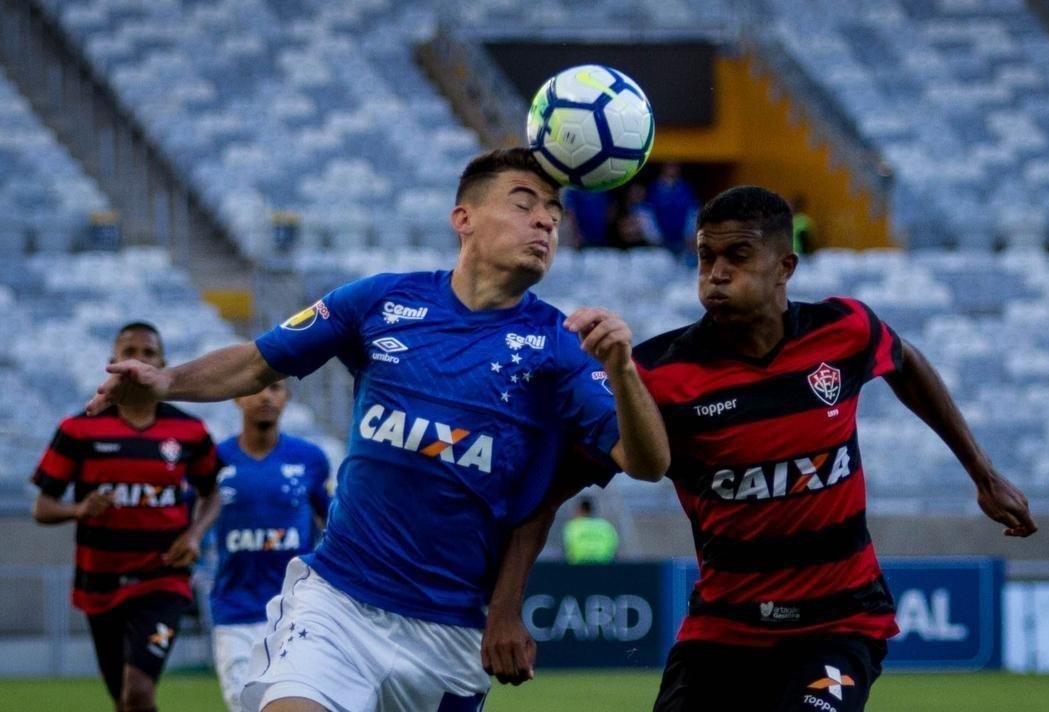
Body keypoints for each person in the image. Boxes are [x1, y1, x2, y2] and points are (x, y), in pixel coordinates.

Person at [86, 147, 670, 712]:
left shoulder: (561, 345)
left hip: (450, 631)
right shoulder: (381, 300)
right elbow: (258, 361)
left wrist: (622, 371)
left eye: (553, 211)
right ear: (463, 218)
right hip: (338, 601)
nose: (544, 218)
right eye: (524, 202)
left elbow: (648, 462)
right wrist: (164, 382)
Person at [481, 186, 1038, 709]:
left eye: (738, 257)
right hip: (725, 629)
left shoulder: (843, 330)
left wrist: (982, 473)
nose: (716, 275)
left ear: (784, 267)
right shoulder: (658, 375)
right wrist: (504, 611)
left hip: (840, 623)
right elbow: (548, 487)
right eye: (705, 258)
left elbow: (907, 364)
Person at [31, 321, 222, 712]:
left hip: (163, 580)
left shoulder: (189, 430)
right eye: (129, 351)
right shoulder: (78, 428)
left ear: (163, 363)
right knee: (123, 699)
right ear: (112, 363)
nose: (139, 359)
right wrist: (79, 509)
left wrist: (194, 535)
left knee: (138, 692)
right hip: (100, 584)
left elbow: (212, 494)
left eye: (149, 352)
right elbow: (42, 507)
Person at [209, 381, 331, 711]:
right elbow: (190, 518)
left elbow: (332, 521)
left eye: (275, 388)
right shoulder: (214, 460)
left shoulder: (310, 458)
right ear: (236, 395)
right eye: (255, 388)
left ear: (286, 396)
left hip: (296, 610)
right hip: (235, 611)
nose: (265, 396)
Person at [647, 163, 699, 256]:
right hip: (660, 240)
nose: (672, 169)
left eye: (675, 166)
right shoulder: (654, 188)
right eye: (670, 166)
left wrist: (690, 234)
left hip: (683, 240)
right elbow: (648, 213)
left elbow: (692, 212)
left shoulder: (686, 188)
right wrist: (654, 237)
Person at [562, 497, 619, 564]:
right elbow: (614, 550)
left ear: (580, 509)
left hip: (579, 568)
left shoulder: (573, 526)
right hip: (603, 569)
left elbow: (566, 550)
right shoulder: (606, 526)